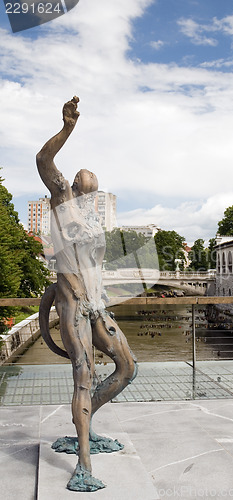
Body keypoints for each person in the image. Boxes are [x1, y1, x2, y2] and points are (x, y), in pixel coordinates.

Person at [37, 97, 137, 492]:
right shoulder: (63, 200)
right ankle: (83, 462)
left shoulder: (94, 216)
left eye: (94, 182)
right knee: (84, 374)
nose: (89, 183)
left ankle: (84, 420)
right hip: (74, 301)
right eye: (84, 180)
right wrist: (66, 130)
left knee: (128, 368)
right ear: (73, 184)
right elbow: (44, 162)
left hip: (99, 303)